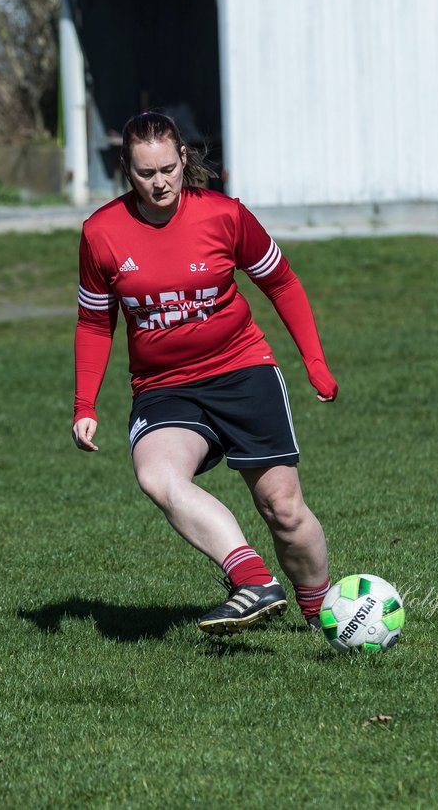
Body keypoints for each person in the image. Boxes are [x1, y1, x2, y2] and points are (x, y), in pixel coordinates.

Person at [72, 111, 339, 635]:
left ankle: (321, 611)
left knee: (281, 508)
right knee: (157, 476)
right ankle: (253, 579)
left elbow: (282, 283)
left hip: (242, 372)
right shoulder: (101, 234)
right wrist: (85, 404)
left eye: (168, 168)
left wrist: (314, 362)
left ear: (183, 159)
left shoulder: (224, 216)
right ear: (126, 169)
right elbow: (93, 322)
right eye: (146, 172)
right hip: (164, 387)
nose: (159, 182)